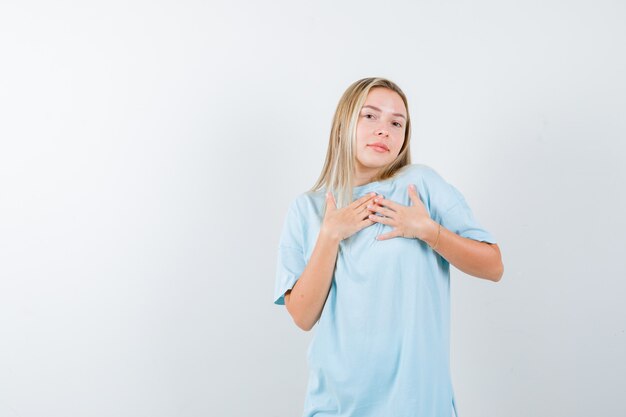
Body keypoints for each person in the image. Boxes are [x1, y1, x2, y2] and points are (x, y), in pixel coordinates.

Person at [273, 77, 504, 417]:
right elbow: (303, 316)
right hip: (336, 406)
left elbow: (493, 265)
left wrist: (428, 231)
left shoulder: (420, 185)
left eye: (397, 123)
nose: (384, 130)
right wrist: (330, 235)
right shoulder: (307, 209)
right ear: (343, 125)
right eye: (370, 116)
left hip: (418, 404)